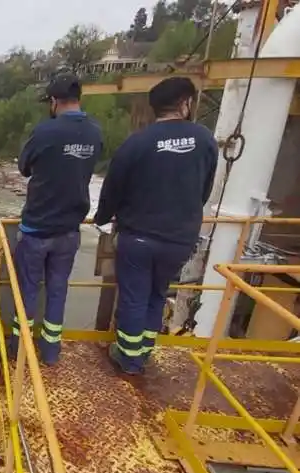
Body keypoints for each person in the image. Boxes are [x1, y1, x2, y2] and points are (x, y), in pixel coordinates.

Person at [95, 76, 218, 375]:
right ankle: (144, 351)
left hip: (139, 237)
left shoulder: (137, 143)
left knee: (134, 297)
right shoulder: (205, 141)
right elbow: (205, 189)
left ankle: (129, 358)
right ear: (185, 104)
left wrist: (102, 217)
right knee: (157, 294)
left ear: (155, 109)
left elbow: (113, 189)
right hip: (180, 238)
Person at [12, 73, 103, 365]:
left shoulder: (45, 132)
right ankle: (50, 353)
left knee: (26, 291)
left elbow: (24, 167)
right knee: (58, 290)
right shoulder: (94, 132)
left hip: (37, 228)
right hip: (69, 230)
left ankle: (18, 351)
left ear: (53, 102)